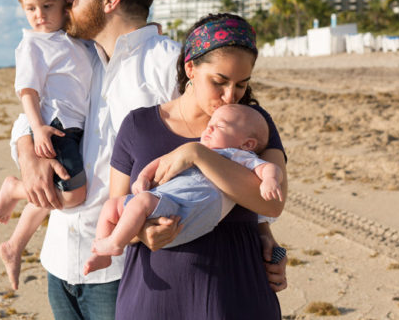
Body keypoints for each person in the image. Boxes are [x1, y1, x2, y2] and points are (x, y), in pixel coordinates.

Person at [12, 0, 288, 319]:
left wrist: (261, 233)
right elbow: (41, 111)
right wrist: (27, 153)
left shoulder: (168, 65)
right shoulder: (80, 54)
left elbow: (229, 146)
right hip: (60, 256)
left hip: (124, 269)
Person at [110, 14, 288, 319]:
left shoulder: (252, 126)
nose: (230, 96)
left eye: (241, 85)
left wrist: (197, 154)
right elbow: (114, 209)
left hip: (236, 296)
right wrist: (140, 232)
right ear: (190, 68)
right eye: (219, 82)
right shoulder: (138, 125)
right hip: (154, 298)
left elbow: (271, 203)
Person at [83, 103, 283, 275]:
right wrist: (143, 178)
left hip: (186, 210)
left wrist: (270, 181)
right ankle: (101, 253)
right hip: (164, 200)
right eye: (210, 124)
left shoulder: (238, 156)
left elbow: (269, 168)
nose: (208, 129)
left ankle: (116, 244)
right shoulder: (196, 147)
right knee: (111, 206)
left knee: (141, 202)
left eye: (219, 126)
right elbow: (160, 162)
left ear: (247, 144)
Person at [0, 0, 92, 290]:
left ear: (67, 1)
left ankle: (14, 245)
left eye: (46, 6)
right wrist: (36, 130)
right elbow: (28, 91)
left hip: (76, 127)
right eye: (30, 8)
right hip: (55, 125)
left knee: (54, 192)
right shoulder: (33, 45)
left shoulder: (75, 40)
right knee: (72, 196)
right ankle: (15, 188)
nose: (38, 16)